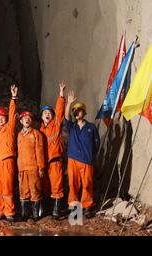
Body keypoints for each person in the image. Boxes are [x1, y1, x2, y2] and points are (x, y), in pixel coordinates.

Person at [64, 91, 100, 218]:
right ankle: (75, 210)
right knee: (73, 184)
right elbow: (66, 117)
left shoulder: (91, 127)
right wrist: (69, 103)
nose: (77, 112)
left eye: (79, 110)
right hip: (73, 159)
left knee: (87, 184)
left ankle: (87, 207)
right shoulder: (71, 127)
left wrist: (91, 156)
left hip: (87, 160)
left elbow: (96, 144)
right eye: (75, 110)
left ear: (84, 112)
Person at [39, 81, 66, 219]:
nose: (47, 114)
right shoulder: (38, 131)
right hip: (44, 164)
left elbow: (60, 112)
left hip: (55, 162)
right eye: (45, 113)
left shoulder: (55, 126)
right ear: (41, 116)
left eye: (49, 112)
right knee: (45, 187)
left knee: (57, 185)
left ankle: (56, 210)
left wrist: (61, 95)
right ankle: (46, 209)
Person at [0, 85, 18, 222]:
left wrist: (13, 98)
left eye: (3, 117)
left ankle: (9, 212)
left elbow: (13, 114)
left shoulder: (9, 127)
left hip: (7, 160)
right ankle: (1, 210)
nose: (1, 119)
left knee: (7, 187)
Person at [17, 111, 45, 221]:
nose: (27, 119)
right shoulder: (19, 135)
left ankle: (35, 215)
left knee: (35, 190)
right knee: (23, 191)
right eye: (24, 118)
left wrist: (41, 167)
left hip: (33, 167)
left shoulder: (36, 134)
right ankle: (25, 214)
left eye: (29, 118)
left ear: (31, 121)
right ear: (21, 121)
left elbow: (40, 151)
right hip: (22, 168)